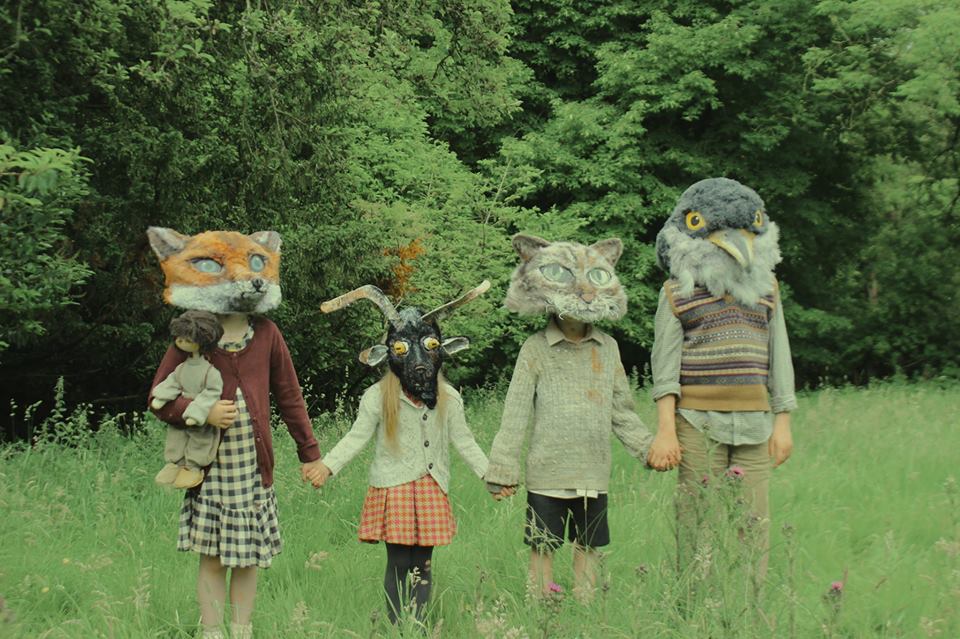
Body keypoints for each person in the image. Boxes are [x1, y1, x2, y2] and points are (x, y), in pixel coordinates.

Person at [147, 227, 325, 639]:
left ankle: (241, 631)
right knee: (211, 558)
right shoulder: (192, 337)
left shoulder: (266, 335)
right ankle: (212, 633)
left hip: (251, 472)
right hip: (209, 471)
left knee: (246, 560)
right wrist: (201, 412)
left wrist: (310, 453)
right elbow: (158, 398)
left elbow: (290, 396)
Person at [484, 234, 657, 602]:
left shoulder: (608, 348)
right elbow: (514, 413)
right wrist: (502, 470)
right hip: (546, 474)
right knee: (542, 546)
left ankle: (585, 607)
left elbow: (622, 411)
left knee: (589, 547)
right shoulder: (534, 349)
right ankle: (539, 605)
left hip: (593, 472)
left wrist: (648, 449)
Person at [308, 282, 490, 625]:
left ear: (441, 351)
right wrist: (327, 466)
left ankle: (418, 626)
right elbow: (355, 437)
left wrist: (492, 477)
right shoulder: (377, 397)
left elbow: (465, 441)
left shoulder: (449, 397)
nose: (419, 361)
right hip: (394, 489)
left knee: (422, 564)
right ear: (388, 352)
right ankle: (395, 625)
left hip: (430, 488)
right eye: (404, 348)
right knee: (398, 563)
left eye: (430, 346)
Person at [649, 177, 796, 582]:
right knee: (695, 525)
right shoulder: (677, 292)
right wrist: (666, 431)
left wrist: (782, 421)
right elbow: (664, 367)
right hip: (696, 424)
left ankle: (750, 612)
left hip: (754, 426)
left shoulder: (768, 289)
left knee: (754, 529)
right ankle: (693, 608)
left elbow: (778, 355)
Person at [151, 310, 226, 489]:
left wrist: (200, 410)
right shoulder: (181, 364)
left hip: (201, 413)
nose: (183, 343)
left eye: (188, 340)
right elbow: (171, 381)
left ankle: (192, 467)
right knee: (176, 437)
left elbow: (211, 392)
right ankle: (174, 464)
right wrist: (161, 397)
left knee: (200, 439)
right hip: (181, 413)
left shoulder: (210, 372)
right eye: (180, 338)